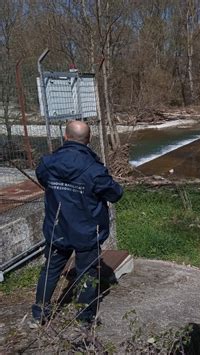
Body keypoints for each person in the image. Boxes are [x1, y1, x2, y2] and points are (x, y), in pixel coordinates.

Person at [31, 120, 123, 326]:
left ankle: (39, 315)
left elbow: (43, 179)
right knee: (87, 273)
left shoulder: (48, 163)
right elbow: (116, 193)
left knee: (51, 269)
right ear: (88, 140)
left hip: (58, 228)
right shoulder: (94, 169)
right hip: (87, 230)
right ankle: (84, 319)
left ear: (65, 137)